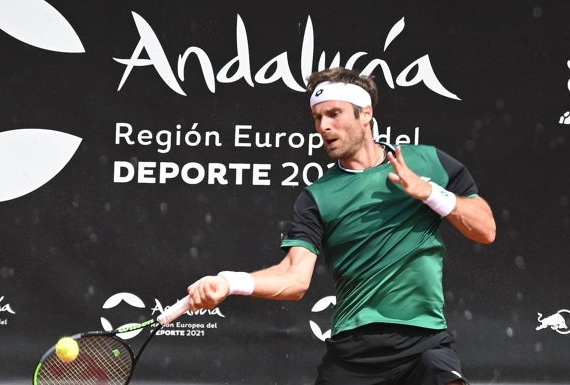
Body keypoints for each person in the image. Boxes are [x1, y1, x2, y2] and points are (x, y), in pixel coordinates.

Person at [186, 67, 496, 385]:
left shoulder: (427, 162)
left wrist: (431, 193)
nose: (324, 126)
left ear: (366, 114)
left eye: (334, 114)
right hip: (355, 353)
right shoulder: (316, 197)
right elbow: (294, 278)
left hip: (425, 343)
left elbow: (485, 228)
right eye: (318, 118)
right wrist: (228, 281)